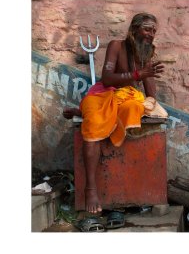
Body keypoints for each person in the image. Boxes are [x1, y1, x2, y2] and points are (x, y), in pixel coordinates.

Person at [63, 13, 165, 214]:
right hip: (104, 93)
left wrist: (153, 105)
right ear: (134, 29)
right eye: (147, 28)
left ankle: (82, 110)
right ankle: (91, 189)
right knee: (93, 117)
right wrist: (138, 74)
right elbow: (107, 78)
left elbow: (150, 92)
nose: (151, 34)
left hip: (126, 97)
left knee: (135, 107)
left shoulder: (146, 53)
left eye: (154, 30)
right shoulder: (116, 46)